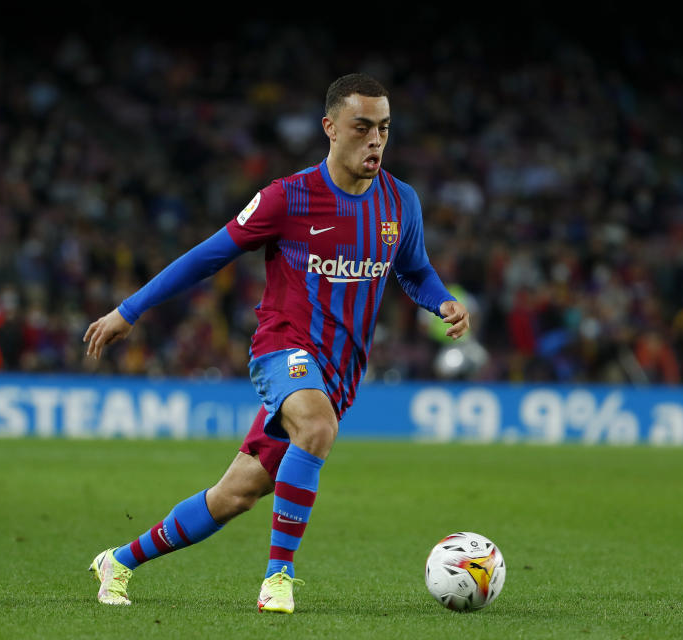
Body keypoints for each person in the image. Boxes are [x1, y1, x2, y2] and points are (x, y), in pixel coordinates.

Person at [82, 73, 470, 613]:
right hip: (282, 349)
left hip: (339, 372)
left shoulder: (400, 203)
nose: (375, 140)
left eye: (383, 128)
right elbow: (208, 255)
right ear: (330, 129)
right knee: (316, 426)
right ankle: (278, 578)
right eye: (362, 127)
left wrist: (441, 300)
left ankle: (118, 561)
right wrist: (130, 310)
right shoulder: (286, 198)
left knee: (234, 495)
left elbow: (415, 269)